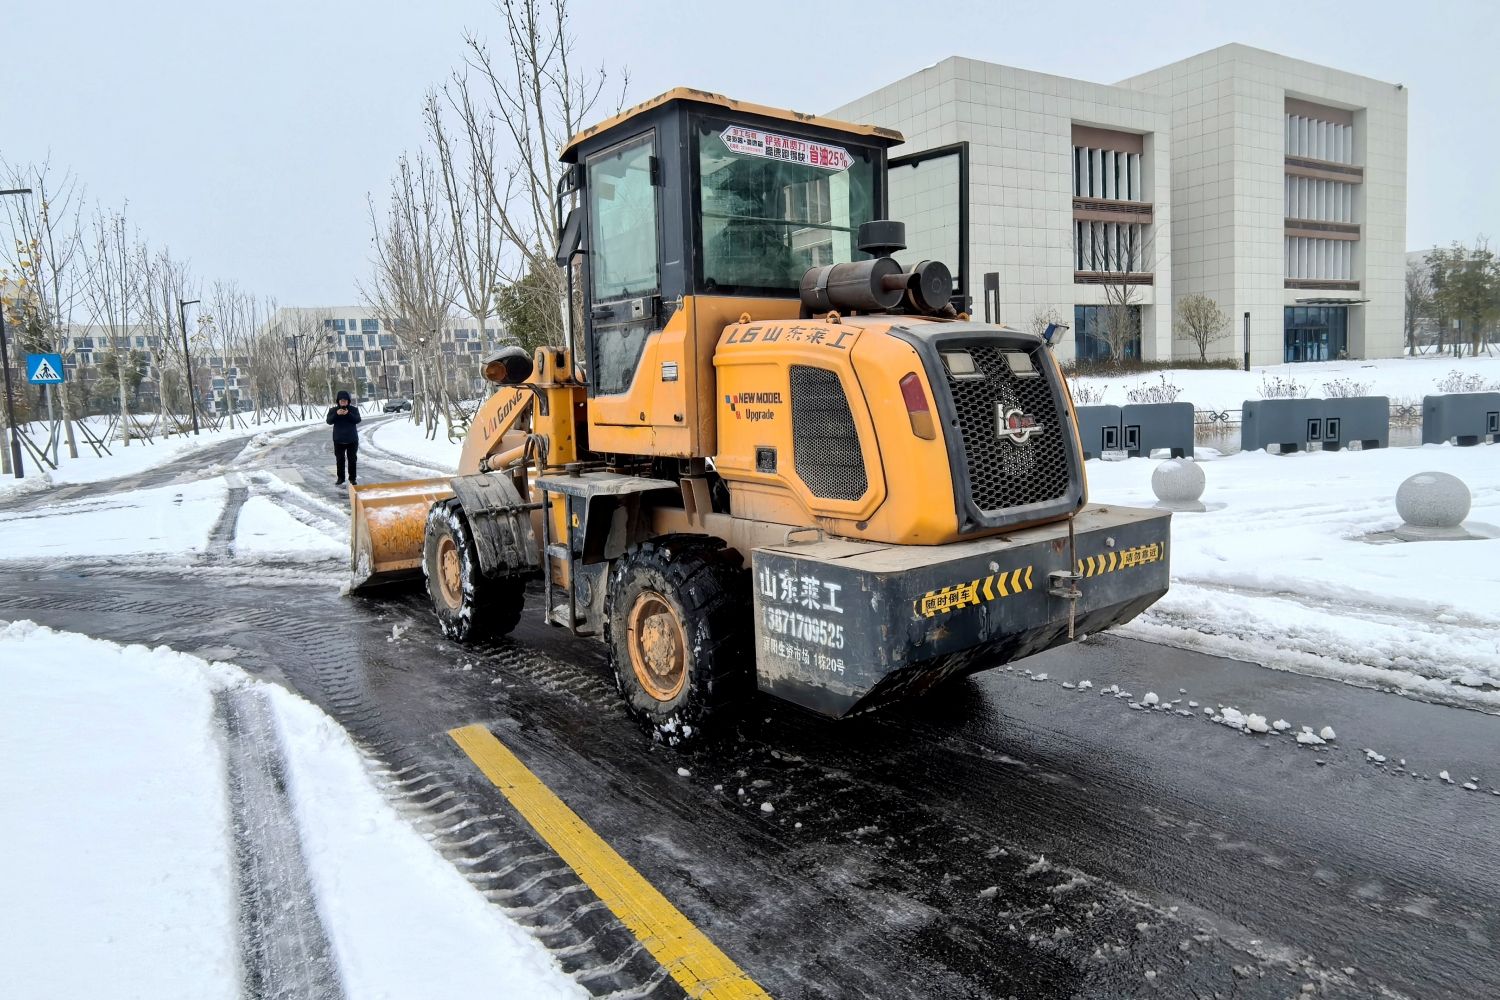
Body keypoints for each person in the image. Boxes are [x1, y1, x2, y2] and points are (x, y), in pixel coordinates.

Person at [327, 390, 362, 485]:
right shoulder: (333, 410)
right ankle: (340, 478)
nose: (343, 402)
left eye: (345, 401)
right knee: (340, 460)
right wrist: (336, 414)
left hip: (352, 440)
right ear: (338, 401)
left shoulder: (353, 410)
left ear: (348, 401)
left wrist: (348, 414)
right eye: (341, 401)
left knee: (352, 460)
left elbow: (358, 420)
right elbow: (329, 421)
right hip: (338, 440)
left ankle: (352, 479)